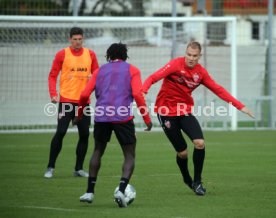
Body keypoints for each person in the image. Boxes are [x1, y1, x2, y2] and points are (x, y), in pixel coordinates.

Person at [142, 41, 254, 196]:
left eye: (195, 56)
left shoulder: (200, 73)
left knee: (200, 143)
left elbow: (218, 90)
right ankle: (187, 178)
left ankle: (197, 181)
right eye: (189, 54)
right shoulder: (175, 64)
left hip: (185, 111)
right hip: (166, 112)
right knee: (183, 153)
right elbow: (154, 77)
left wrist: (239, 106)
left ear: (199, 56)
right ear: (185, 53)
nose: (191, 58)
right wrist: (144, 90)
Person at [74, 42, 152, 207]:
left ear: (109, 56)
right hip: (122, 117)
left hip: (102, 116)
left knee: (97, 151)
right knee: (129, 155)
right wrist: (147, 119)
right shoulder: (132, 70)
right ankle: (121, 189)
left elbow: (84, 94)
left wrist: (79, 114)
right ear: (125, 56)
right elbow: (138, 94)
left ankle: (89, 192)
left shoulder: (99, 70)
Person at [44, 27, 99, 178]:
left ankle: (78, 168)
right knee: (61, 132)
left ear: (83, 39)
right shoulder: (62, 54)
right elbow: (52, 76)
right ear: (70, 40)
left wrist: (98, 93)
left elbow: (97, 75)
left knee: (85, 134)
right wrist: (53, 94)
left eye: (80, 39)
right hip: (66, 100)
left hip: (84, 103)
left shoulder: (90, 54)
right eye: (74, 39)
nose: (77, 42)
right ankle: (50, 167)